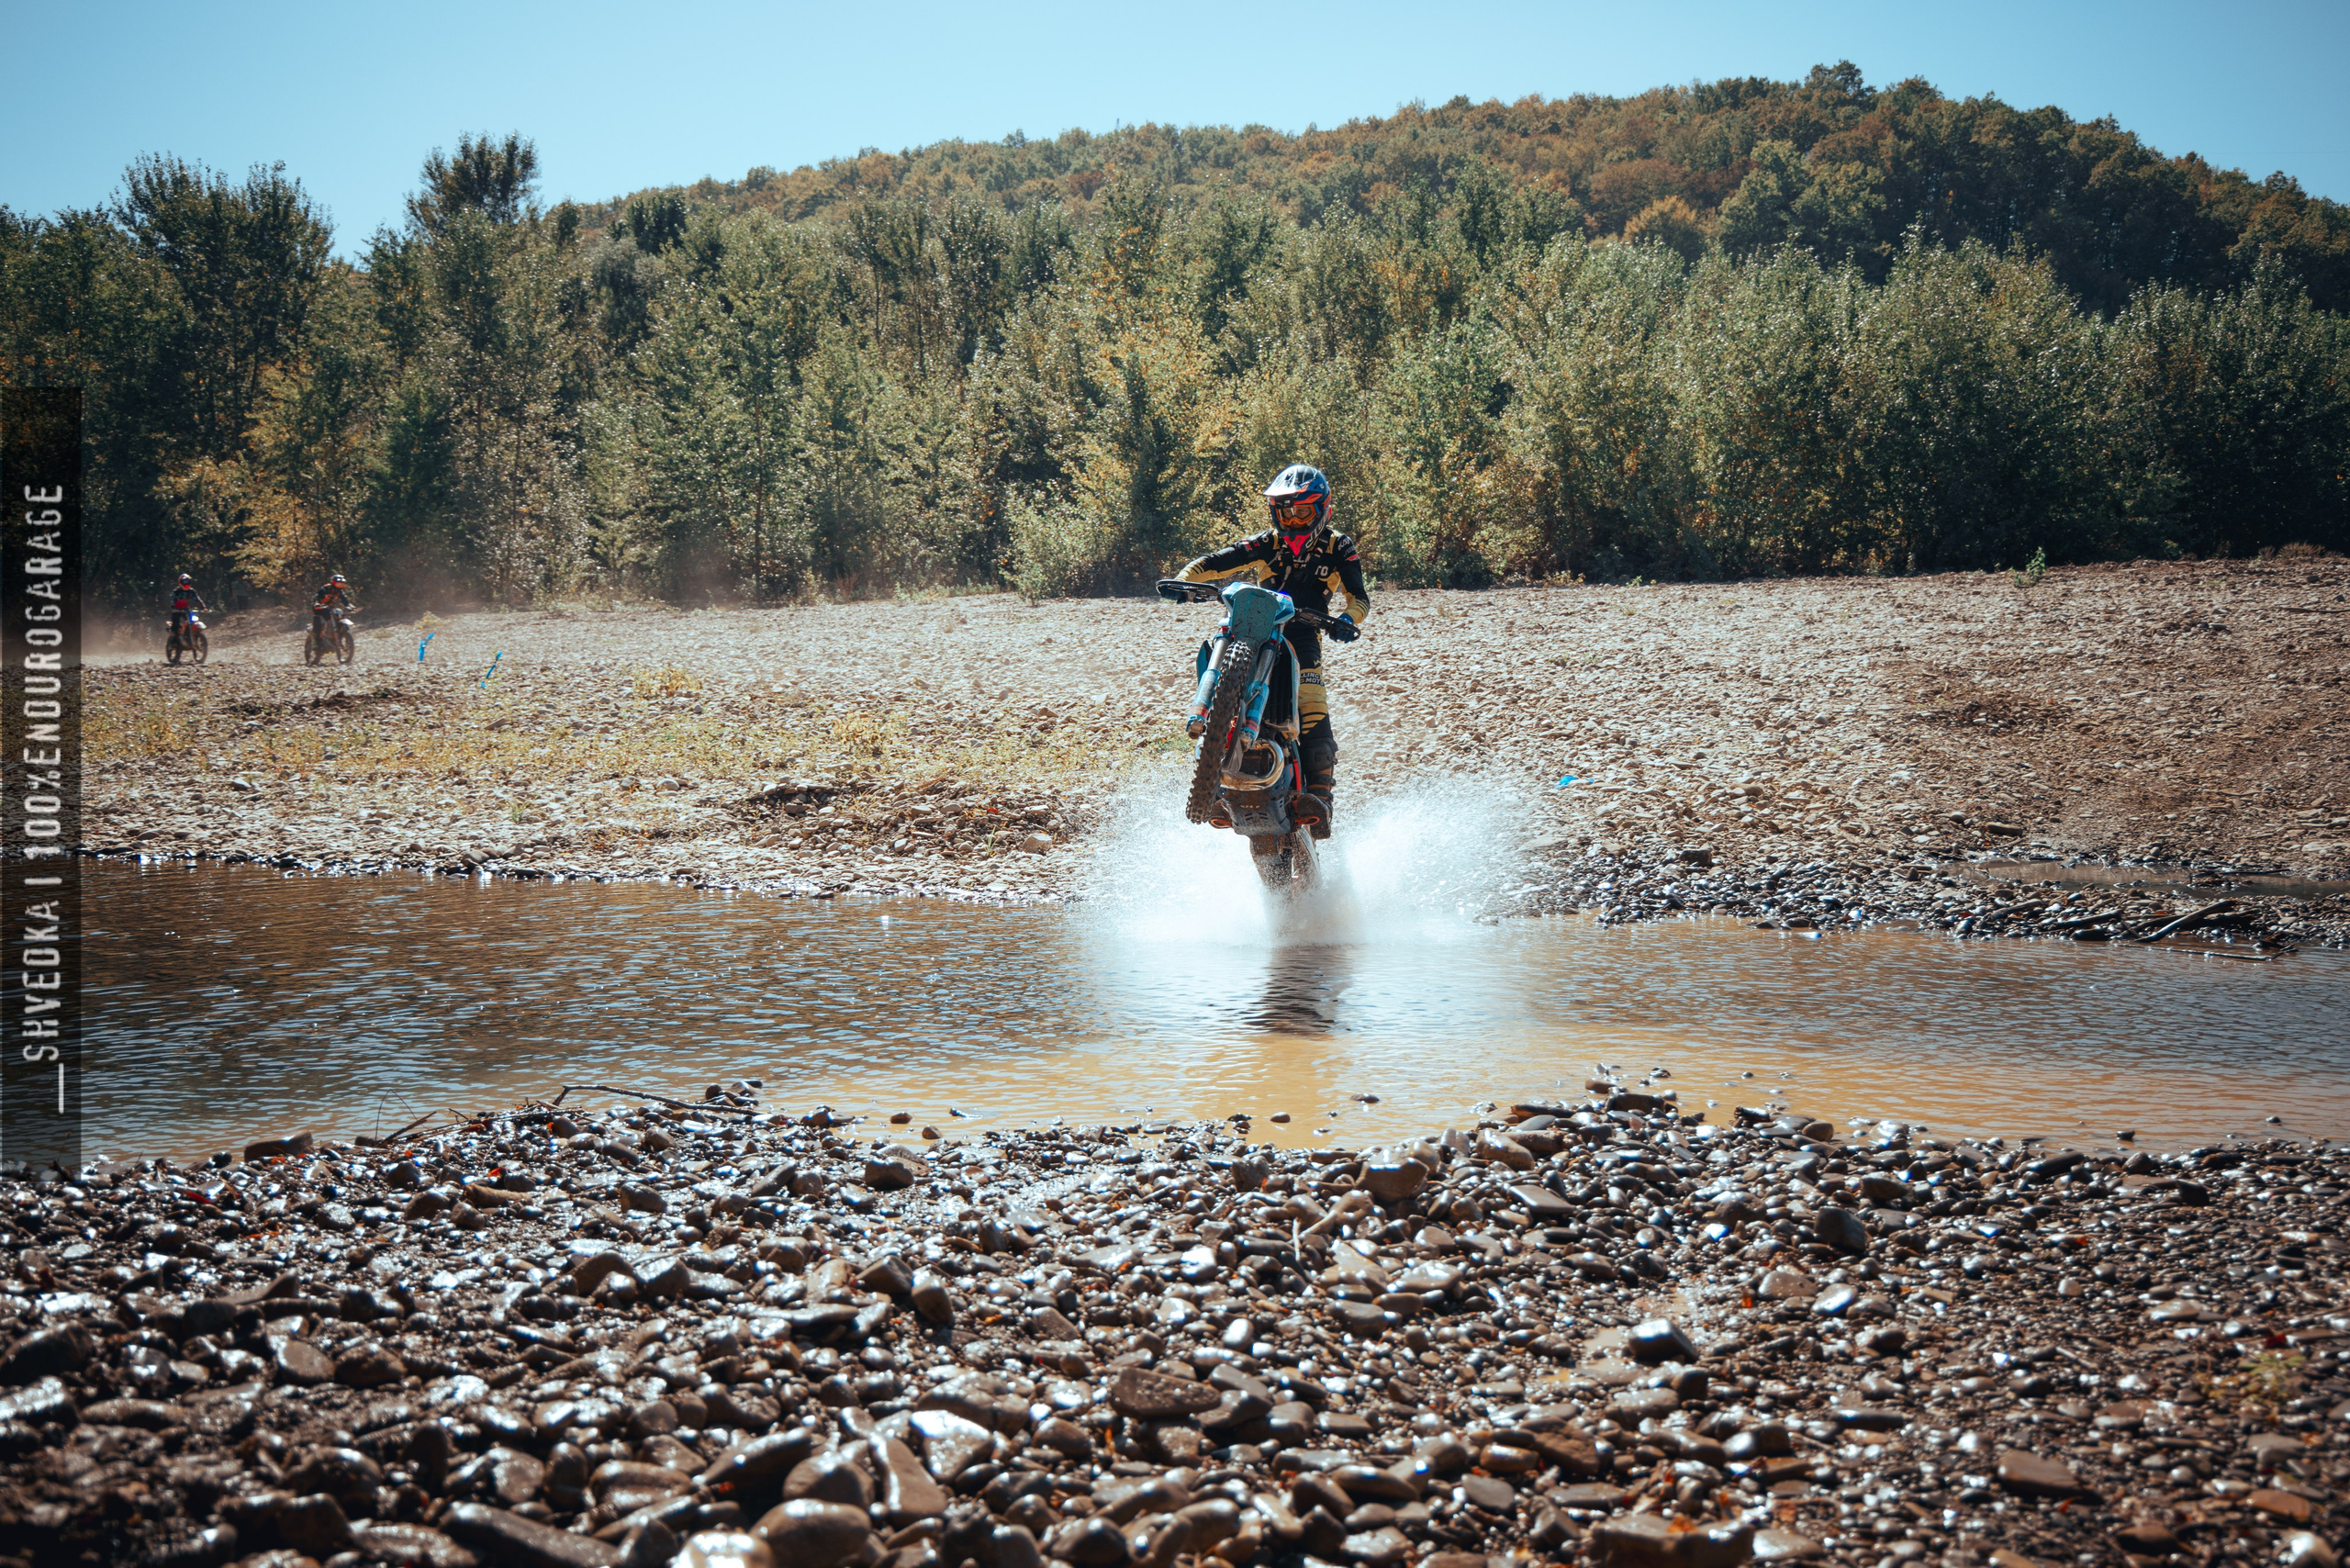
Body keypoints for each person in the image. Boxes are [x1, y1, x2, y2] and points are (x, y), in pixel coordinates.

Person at [1176, 465, 1370, 838]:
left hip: (1304, 632)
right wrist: (1182, 582)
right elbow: (1214, 563)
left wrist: (1347, 619)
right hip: (1256, 627)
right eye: (1285, 512)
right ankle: (1212, 785)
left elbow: (1358, 597)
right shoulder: (1265, 543)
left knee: (1312, 701)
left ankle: (1319, 796)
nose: (1293, 520)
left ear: (1323, 510)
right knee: (1216, 681)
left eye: (1302, 512)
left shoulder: (1338, 546)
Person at [311, 572, 358, 646]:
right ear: (333, 583)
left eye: (342, 584)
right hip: (319, 608)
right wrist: (316, 603)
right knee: (317, 625)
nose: (340, 586)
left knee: (339, 615)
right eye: (338, 583)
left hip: (329, 608)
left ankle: (337, 635)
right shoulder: (325, 588)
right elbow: (317, 596)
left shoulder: (340, 592)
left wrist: (350, 606)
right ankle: (314, 642)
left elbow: (345, 600)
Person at [167, 574, 207, 641]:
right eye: (184, 582)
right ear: (180, 583)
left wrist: (203, 608)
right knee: (176, 624)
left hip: (186, 610)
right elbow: (172, 600)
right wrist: (173, 608)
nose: (186, 584)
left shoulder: (191, 591)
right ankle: (174, 639)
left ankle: (189, 636)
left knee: (192, 621)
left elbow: (197, 600)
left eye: (188, 582)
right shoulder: (176, 591)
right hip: (176, 610)